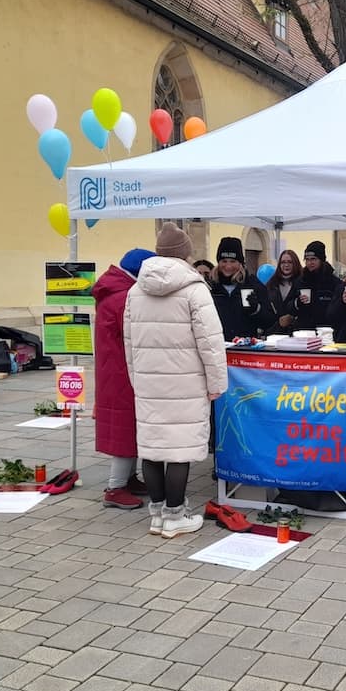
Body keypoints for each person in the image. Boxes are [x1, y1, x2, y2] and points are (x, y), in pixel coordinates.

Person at [124, 223, 228, 539]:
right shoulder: (195, 288)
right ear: (185, 254)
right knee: (180, 449)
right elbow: (210, 342)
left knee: (154, 448)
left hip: (148, 381)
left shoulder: (134, 290)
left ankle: (157, 514)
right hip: (186, 383)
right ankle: (175, 514)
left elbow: (128, 341)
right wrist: (217, 383)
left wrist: (135, 378)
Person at [92, 248, 155, 510]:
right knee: (125, 429)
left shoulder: (117, 292)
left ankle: (129, 479)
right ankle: (115, 488)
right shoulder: (123, 298)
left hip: (115, 371)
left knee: (130, 426)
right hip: (122, 373)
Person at [207, 237, 276, 341]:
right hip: (216, 346)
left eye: (233, 261)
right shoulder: (210, 286)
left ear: (240, 263)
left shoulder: (253, 285)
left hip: (245, 349)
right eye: (224, 261)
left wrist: (256, 309)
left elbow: (270, 322)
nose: (228, 266)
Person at [296, 240, 342, 330]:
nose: (310, 263)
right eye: (307, 259)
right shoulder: (300, 281)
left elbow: (339, 310)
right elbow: (289, 307)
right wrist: (297, 302)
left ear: (321, 260)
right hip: (305, 331)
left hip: (327, 331)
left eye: (313, 259)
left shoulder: (334, 283)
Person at [265, 249, 303, 335]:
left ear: (295, 263)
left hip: (297, 333)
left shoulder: (303, 282)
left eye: (290, 262)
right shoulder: (271, 284)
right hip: (275, 333)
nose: (286, 265)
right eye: (283, 262)